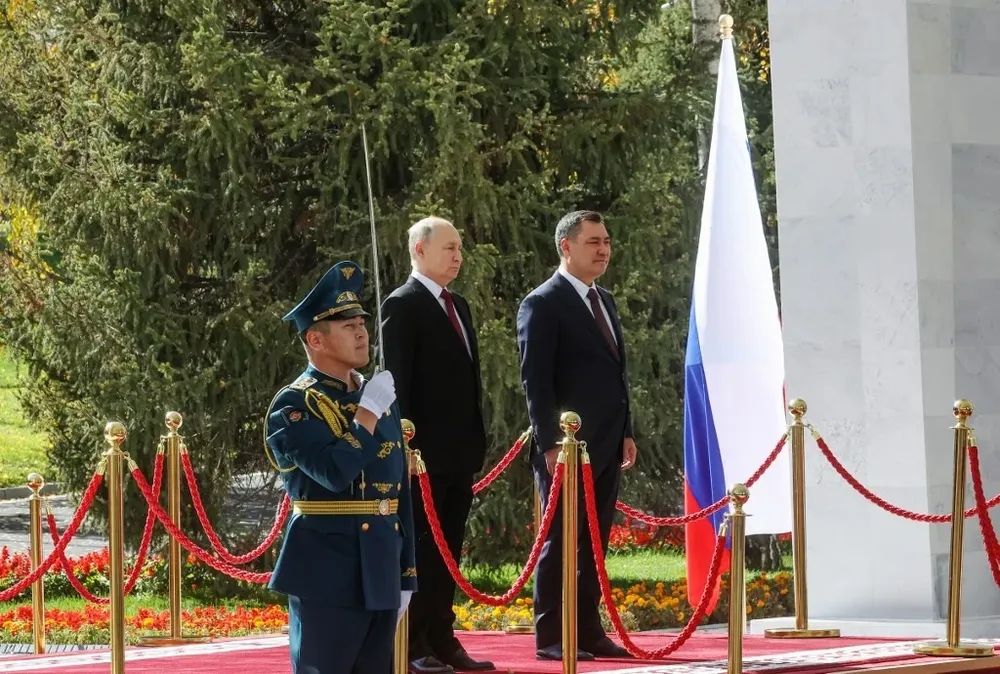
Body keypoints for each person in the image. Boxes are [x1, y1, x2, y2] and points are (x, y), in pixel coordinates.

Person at [265, 260, 418, 674]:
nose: (361, 332)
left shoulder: (376, 395)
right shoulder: (294, 405)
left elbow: (396, 489)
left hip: (380, 566)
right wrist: (366, 415)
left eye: (361, 323)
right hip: (326, 570)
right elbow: (333, 473)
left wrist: (407, 574)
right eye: (347, 325)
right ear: (315, 338)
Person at [516, 211, 637, 662]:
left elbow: (616, 374)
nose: (604, 250)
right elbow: (536, 380)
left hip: (607, 442)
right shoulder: (542, 303)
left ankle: (587, 630)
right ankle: (551, 635)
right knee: (560, 540)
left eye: (606, 241)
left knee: (596, 541)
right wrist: (550, 442)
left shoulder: (604, 299)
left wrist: (626, 431)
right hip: (566, 448)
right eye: (593, 242)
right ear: (566, 246)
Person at [382, 217, 494, 673]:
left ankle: (443, 639)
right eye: (449, 247)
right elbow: (398, 384)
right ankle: (413, 644)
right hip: (422, 459)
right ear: (419, 250)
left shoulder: (457, 305)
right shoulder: (402, 304)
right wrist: (404, 449)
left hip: (458, 454)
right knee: (421, 554)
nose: (457, 256)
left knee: (448, 553)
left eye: (459, 248)